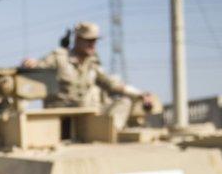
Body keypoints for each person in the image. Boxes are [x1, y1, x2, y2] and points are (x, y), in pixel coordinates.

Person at [23, 21, 152, 129]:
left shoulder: (93, 63)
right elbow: (35, 69)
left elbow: (112, 84)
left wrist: (140, 94)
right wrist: (30, 64)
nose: (93, 45)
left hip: (88, 113)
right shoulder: (59, 57)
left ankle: (109, 134)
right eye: (89, 41)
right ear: (78, 40)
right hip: (62, 114)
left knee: (124, 102)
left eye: (95, 41)